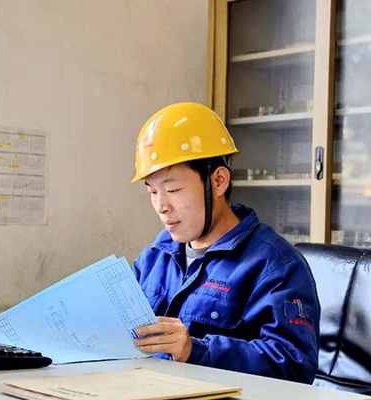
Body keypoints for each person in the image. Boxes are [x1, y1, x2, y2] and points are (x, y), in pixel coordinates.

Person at [131, 102, 320, 384]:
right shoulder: (155, 257)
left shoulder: (276, 265)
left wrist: (196, 350)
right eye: (153, 192)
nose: (162, 206)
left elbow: (295, 365)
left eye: (173, 189)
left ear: (219, 181)